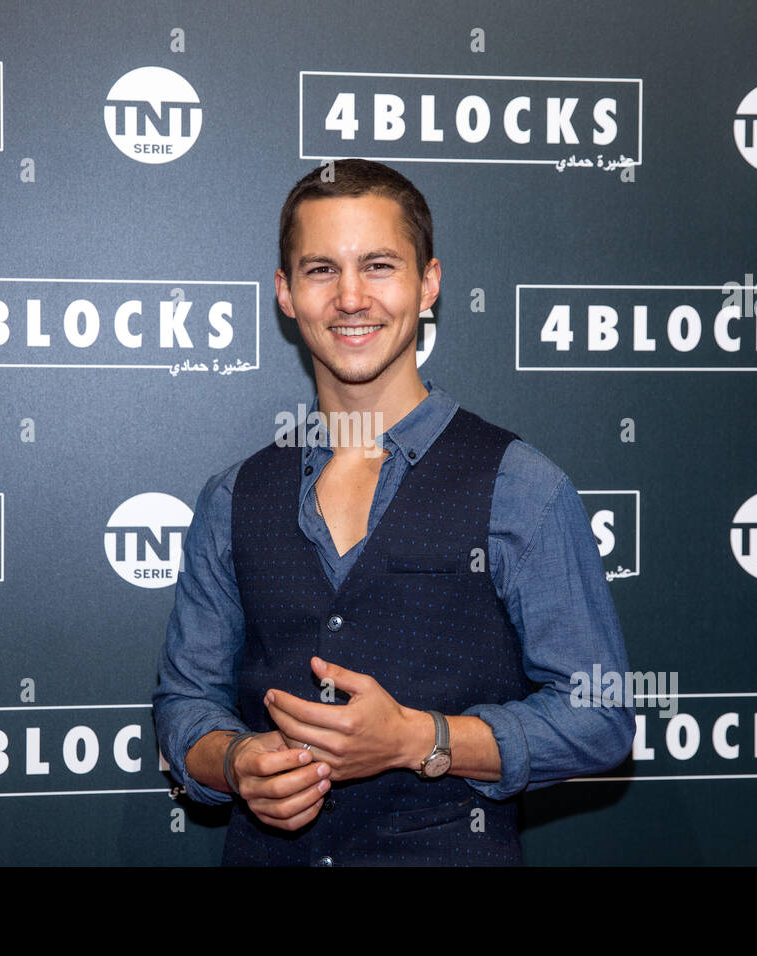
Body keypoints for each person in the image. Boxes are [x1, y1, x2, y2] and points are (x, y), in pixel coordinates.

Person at [153, 159, 633, 866]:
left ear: (428, 282)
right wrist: (235, 763)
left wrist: (421, 739)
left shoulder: (522, 487)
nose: (351, 298)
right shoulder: (234, 497)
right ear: (286, 294)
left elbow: (600, 715)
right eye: (321, 270)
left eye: (378, 265)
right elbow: (184, 705)